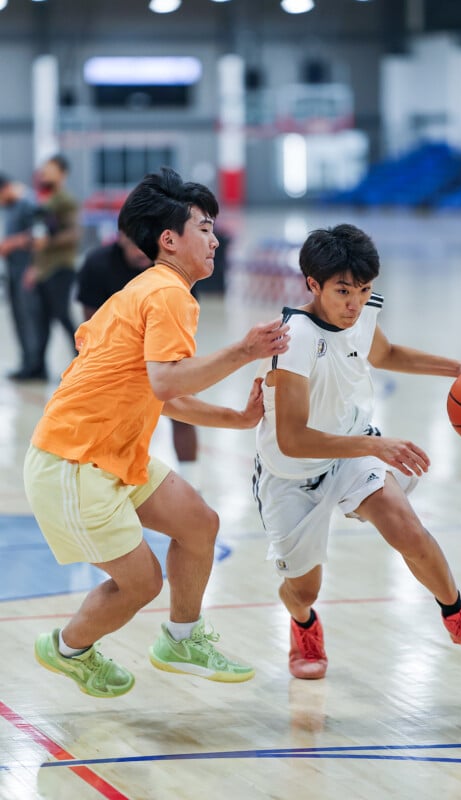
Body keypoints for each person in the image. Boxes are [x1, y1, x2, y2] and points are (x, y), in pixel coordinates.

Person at [24, 167, 290, 698]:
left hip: (114, 452)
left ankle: (181, 639)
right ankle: (68, 647)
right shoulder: (168, 294)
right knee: (141, 582)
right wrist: (245, 350)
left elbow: (162, 393)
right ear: (169, 240)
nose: (216, 239)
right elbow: (166, 381)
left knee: (198, 524)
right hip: (75, 462)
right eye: (205, 228)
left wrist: (236, 419)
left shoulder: (146, 290)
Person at [253, 223, 461, 680]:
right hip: (293, 473)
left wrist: (458, 368)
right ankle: (303, 623)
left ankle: (456, 614)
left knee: (407, 528)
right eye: (342, 291)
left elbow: (386, 353)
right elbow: (292, 437)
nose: (354, 303)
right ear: (313, 285)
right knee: (304, 590)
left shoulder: (362, 311)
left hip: (352, 448)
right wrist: (377, 444)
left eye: (364, 290)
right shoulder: (293, 340)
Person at [76, 231, 201, 485]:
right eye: (134, 245)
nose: (141, 253)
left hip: (163, 349)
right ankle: (98, 474)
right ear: (120, 237)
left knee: (184, 407)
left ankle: (192, 481)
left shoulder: (171, 266)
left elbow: (184, 318)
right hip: (114, 354)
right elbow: (89, 323)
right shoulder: (97, 263)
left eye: (146, 247)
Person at [24, 154, 81, 378]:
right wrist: (34, 266)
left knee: (62, 315)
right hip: (44, 268)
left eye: (50, 169)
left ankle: (82, 362)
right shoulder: (44, 201)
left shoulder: (65, 201)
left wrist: (49, 241)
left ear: (62, 174)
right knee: (42, 319)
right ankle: (38, 366)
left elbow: (73, 234)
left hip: (61, 267)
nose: (45, 173)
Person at [0, 173, 42, 380]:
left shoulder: (28, 202)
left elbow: (40, 233)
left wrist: (12, 243)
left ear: (6, 188)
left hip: (28, 270)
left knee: (29, 318)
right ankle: (26, 362)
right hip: (12, 271)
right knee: (17, 317)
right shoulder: (8, 207)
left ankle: (35, 365)